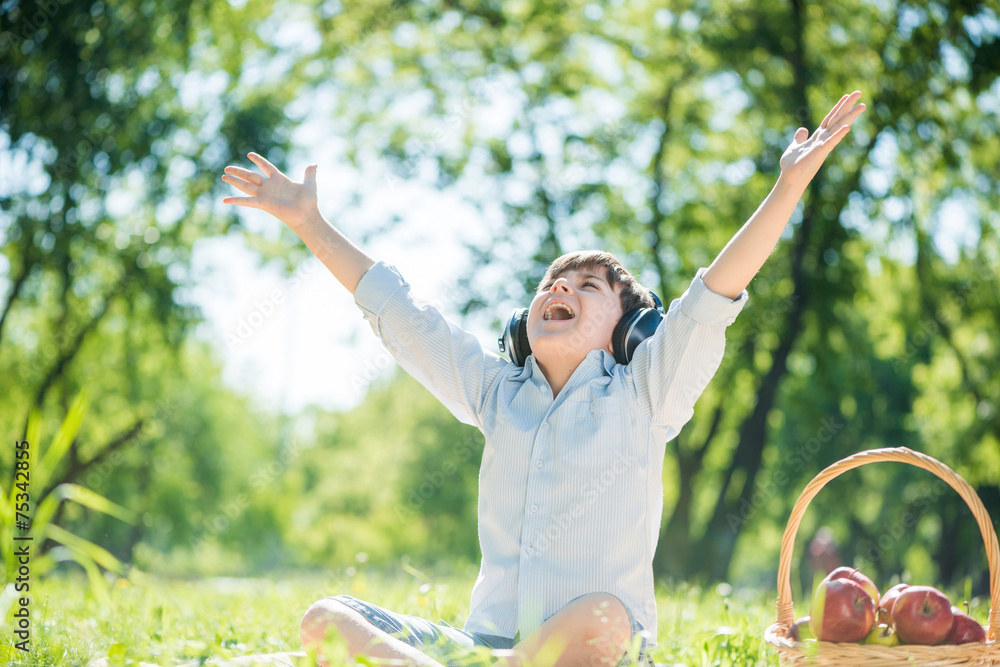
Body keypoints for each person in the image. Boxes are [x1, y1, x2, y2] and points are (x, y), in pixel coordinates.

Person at [221, 91, 866, 667]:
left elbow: (716, 292)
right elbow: (404, 315)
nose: (560, 287)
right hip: (485, 649)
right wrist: (309, 222)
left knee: (607, 618)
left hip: (599, 652)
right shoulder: (496, 392)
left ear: (629, 331)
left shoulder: (645, 391)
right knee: (328, 619)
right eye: (551, 284)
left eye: (588, 286)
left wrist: (790, 184)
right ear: (522, 324)